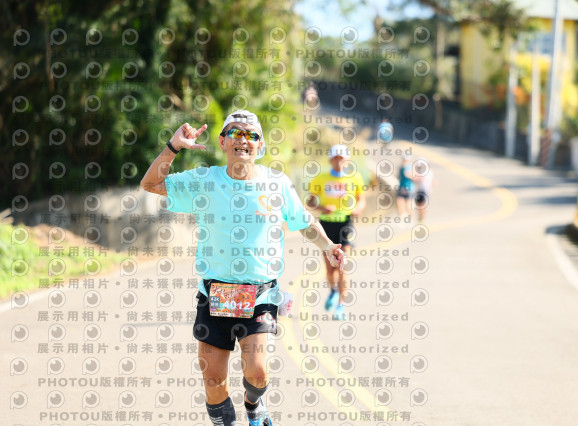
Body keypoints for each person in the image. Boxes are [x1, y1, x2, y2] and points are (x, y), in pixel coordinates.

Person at [140, 110, 345, 426]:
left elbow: (303, 221)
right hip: (215, 294)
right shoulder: (205, 181)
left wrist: (328, 246)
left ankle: (254, 403)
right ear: (223, 141)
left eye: (251, 135)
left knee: (258, 372)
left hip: (260, 294)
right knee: (213, 381)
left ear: (259, 145)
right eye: (235, 132)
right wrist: (173, 146)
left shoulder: (276, 183)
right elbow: (151, 183)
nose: (243, 140)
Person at [306, 144, 365, 320]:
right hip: (326, 225)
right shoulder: (320, 178)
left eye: (342, 158)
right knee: (330, 268)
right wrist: (323, 208)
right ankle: (333, 290)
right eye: (336, 158)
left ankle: (341, 305)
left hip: (345, 224)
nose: (339, 162)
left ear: (347, 160)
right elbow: (309, 202)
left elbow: (361, 199)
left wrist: (358, 209)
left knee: (343, 266)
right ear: (330, 160)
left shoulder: (355, 178)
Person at [412, 157, 433, 223]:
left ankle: (421, 218)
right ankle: (421, 218)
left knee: (421, 205)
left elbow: (420, 179)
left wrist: (411, 177)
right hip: (423, 190)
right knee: (420, 205)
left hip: (423, 190)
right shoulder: (429, 171)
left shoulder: (425, 172)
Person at [396, 153, 414, 221]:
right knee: (402, 201)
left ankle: (406, 216)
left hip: (406, 187)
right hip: (404, 186)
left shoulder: (406, 167)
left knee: (403, 201)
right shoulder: (404, 167)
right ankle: (406, 216)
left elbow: (410, 175)